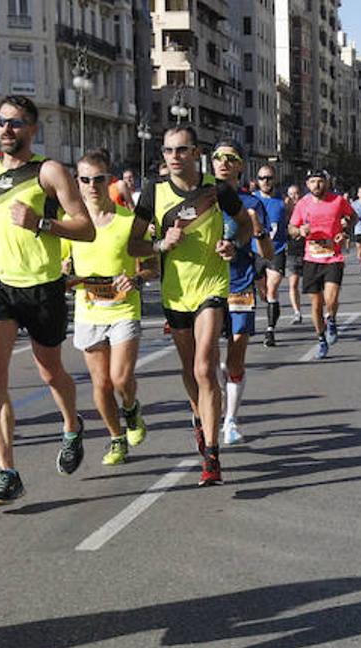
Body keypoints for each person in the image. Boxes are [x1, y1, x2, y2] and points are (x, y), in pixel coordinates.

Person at [0, 95, 96, 506]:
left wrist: (40, 222)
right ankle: (7, 472)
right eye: (2, 122)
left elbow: (86, 228)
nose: (7, 129)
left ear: (32, 129)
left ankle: (71, 425)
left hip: (42, 285)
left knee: (50, 371)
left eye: (16, 123)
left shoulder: (49, 172)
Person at [127, 125, 251, 486]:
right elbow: (133, 245)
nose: (174, 157)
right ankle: (200, 418)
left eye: (182, 150)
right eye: (168, 151)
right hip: (174, 293)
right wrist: (160, 245)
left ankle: (211, 455)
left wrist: (235, 246)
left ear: (196, 153)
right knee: (188, 367)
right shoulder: (153, 191)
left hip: (212, 287)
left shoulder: (217, 189)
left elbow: (244, 225)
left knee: (203, 366)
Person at [62, 149, 148, 466]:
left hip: (124, 309)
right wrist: (67, 273)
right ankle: (116, 439)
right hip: (89, 311)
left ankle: (131, 408)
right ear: (77, 182)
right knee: (101, 384)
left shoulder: (128, 221)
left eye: (99, 179)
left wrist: (137, 279)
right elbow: (63, 271)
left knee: (121, 379)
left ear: (109, 180)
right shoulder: (70, 224)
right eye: (85, 180)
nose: (92, 186)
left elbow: (152, 264)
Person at [210, 140, 273, 446]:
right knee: (206, 361)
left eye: (230, 158)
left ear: (240, 166)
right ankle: (214, 404)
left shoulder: (252, 203)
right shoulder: (199, 198)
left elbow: (268, 252)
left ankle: (230, 420)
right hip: (204, 286)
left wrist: (257, 228)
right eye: (217, 157)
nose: (222, 162)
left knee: (234, 360)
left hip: (239, 284)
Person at [289, 169, 354, 360]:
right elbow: (291, 228)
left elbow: (352, 217)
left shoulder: (338, 201)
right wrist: (300, 230)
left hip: (333, 257)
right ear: (307, 184)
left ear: (326, 182)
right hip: (311, 259)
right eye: (312, 182)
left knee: (331, 299)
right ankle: (320, 339)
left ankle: (331, 319)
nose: (316, 185)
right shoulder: (303, 203)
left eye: (320, 181)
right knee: (316, 304)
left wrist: (345, 232)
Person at [254, 163, 287, 347]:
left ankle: (270, 330)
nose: (265, 181)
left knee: (273, 289)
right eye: (262, 178)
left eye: (269, 178)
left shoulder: (283, 201)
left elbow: (293, 222)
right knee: (263, 293)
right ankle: (270, 306)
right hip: (256, 252)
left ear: (274, 179)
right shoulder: (251, 200)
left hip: (277, 250)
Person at [284, 182, 304, 322]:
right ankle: (297, 312)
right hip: (292, 251)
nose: (294, 197)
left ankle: (320, 309)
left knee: (312, 285)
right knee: (293, 284)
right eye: (291, 194)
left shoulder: (306, 209)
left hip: (308, 250)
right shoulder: (284, 213)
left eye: (296, 194)